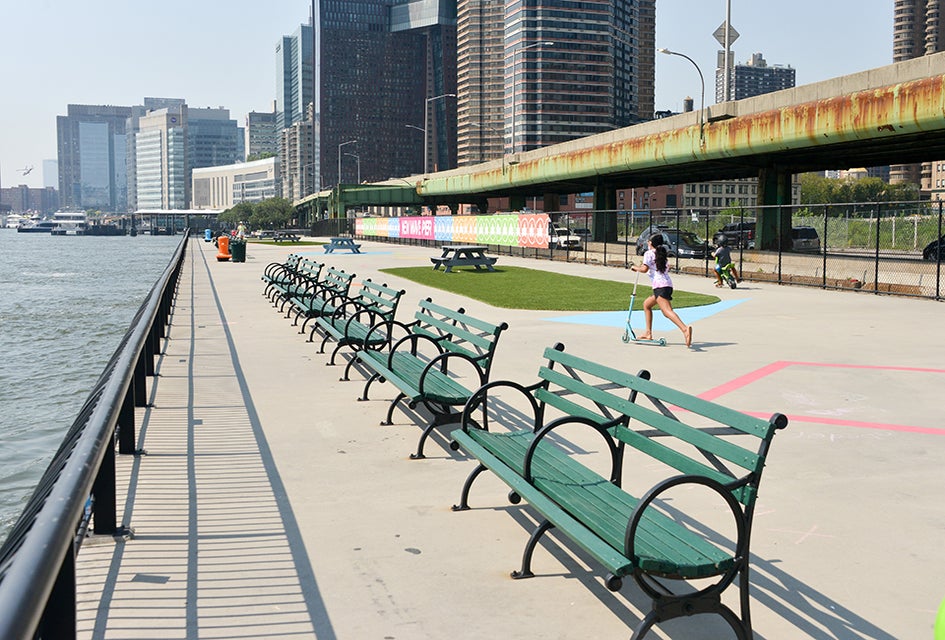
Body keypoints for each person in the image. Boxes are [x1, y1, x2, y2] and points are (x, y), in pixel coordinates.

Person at [630, 233, 693, 347]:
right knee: (647, 305)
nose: (647, 243)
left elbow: (644, 269)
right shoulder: (661, 254)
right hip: (666, 285)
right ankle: (648, 333)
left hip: (660, 286)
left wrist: (635, 268)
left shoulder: (648, 254)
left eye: (649, 241)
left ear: (651, 243)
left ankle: (685, 329)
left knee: (666, 311)